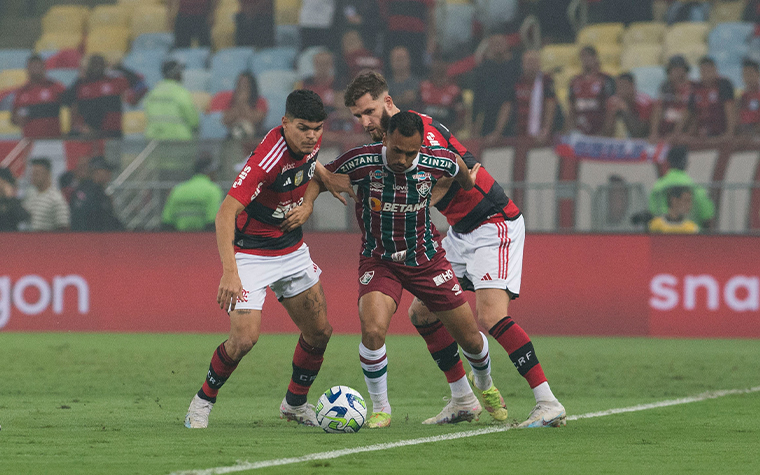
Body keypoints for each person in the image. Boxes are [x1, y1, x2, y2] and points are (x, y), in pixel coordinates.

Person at [305, 71, 565, 428]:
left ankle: (547, 401)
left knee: (489, 317)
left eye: (369, 112)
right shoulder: (385, 145)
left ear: (388, 103)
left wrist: (429, 195)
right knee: (423, 315)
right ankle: (462, 398)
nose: (365, 122)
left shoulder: (421, 134)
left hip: (493, 221)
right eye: (358, 116)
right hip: (460, 229)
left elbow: (466, 166)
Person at [295, 111, 507, 429]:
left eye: (412, 152)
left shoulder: (436, 161)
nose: (404, 159)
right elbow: (320, 177)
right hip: (380, 261)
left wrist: (465, 182)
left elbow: (460, 169)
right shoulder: (361, 161)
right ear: (385, 139)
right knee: (373, 330)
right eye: (398, 151)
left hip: (427, 259)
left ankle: (485, 384)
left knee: (472, 341)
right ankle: (381, 408)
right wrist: (309, 203)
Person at [184, 90, 352, 429]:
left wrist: (308, 203)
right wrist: (229, 272)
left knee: (319, 332)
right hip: (250, 253)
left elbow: (311, 167)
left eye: (317, 128)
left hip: (290, 249)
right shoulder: (265, 160)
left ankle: (294, 404)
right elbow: (224, 214)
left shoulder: (309, 142)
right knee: (244, 339)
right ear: (285, 123)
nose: (312, 135)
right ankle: (202, 402)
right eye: (304, 128)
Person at [63, 55, 147, 138]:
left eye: (99, 64)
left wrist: (119, 67)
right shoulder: (80, 85)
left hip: (112, 134)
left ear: (104, 65)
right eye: (94, 64)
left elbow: (140, 84)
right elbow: (65, 101)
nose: (96, 67)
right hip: (88, 136)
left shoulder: (114, 81)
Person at [492, 49, 558, 144]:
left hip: (541, 136)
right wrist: (498, 132)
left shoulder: (546, 81)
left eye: (533, 62)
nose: (530, 65)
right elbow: (507, 107)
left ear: (539, 64)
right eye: (527, 62)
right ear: (522, 64)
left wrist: (546, 130)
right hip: (519, 133)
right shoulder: (516, 82)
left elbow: (550, 106)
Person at [649, 146, 714, 229]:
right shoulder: (697, 188)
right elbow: (708, 218)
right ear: (686, 163)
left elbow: (652, 214)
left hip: (663, 238)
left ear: (668, 162)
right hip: (691, 238)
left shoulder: (657, 187)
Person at [472, 34, 520, 139]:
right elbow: (477, 100)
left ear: (507, 45)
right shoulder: (483, 69)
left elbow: (511, 97)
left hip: (513, 119)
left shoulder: (516, 66)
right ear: (489, 47)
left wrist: (498, 131)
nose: (497, 46)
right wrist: (474, 127)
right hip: (489, 117)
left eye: (500, 43)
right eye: (494, 44)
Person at [161, 155, 222, 231]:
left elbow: (167, 221)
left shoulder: (177, 189)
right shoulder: (213, 190)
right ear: (209, 172)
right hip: (203, 239)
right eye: (214, 172)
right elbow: (213, 221)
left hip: (178, 238)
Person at [11, 54, 66, 138]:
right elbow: (13, 117)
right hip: (30, 142)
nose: (35, 69)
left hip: (53, 141)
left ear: (44, 67)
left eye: (38, 66)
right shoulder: (21, 91)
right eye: (33, 66)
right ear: (27, 69)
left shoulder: (54, 86)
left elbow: (72, 103)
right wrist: (18, 119)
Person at [566, 46, 616, 136]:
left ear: (595, 58)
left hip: (600, 130)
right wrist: (570, 130)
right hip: (580, 130)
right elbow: (571, 108)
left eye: (588, 56)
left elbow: (611, 108)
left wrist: (607, 132)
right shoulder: (574, 81)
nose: (585, 60)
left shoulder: (606, 80)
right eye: (583, 57)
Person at [144, 60, 200, 141]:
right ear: (176, 74)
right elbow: (193, 120)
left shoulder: (153, 92)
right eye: (180, 72)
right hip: (178, 141)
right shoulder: (181, 92)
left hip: (155, 141)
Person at [683, 56, 736, 139]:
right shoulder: (696, 88)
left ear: (715, 70)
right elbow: (689, 111)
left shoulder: (724, 84)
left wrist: (730, 133)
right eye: (703, 71)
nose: (706, 74)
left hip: (720, 132)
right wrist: (678, 133)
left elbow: (729, 108)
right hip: (702, 133)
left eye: (708, 70)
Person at [380, 0, 436, 76]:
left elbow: (430, 16)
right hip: (394, 34)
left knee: (416, 69)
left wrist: (431, 41)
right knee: (390, 68)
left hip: (416, 36)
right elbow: (382, 10)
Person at [69, 156, 123, 232]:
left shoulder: (89, 190)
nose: (109, 174)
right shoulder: (92, 192)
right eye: (106, 170)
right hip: (92, 238)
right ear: (97, 171)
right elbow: (102, 220)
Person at [649, 55, 693, 143]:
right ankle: (654, 135)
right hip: (669, 117)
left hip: (684, 122)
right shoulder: (665, 87)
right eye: (675, 70)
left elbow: (689, 112)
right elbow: (658, 107)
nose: (678, 73)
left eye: (680, 69)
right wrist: (654, 133)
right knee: (657, 109)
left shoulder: (691, 87)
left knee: (687, 113)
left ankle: (676, 135)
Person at [213, 71, 268, 140]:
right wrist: (237, 104)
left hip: (254, 137)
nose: (242, 88)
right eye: (239, 85)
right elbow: (225, 120)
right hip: (232, 136)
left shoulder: (260, 101)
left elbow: (256, 120)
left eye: (245, 85)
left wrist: (244, 103)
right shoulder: (230, 100)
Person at [22, 157, 70, 231]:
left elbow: (63, 227)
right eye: (32, 174)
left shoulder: (56, 198)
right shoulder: (30, 194)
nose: (33, 177)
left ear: (47, 174)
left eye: (37, 174)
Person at [417, 60, 463, 132]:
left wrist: (448, 134)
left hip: (446, 133)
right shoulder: (423, 88)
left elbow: (461, 118)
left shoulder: (455, 92)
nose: (439, 68)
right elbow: (415, 110)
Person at [604, 73, 653, 138]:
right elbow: (606, 134)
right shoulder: (613, 101)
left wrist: (626, 110)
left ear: (632, 86)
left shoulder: (644, 102)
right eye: (617, 87)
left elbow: (639, 134)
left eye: (623, 87)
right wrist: (612, 114)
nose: (619, 91)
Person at [387, 46, 420, 112]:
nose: (399, 62)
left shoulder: (418, 83)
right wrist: (402, 99)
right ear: (391, 62)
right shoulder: (385, 85)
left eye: (402, 58)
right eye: (396, 59)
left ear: (409, 60)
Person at [737, 59, 760, 136]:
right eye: (745, 74)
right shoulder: (742, 97)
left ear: (758, 74)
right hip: (745, 139)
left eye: (750, 74)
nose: (747, 78)